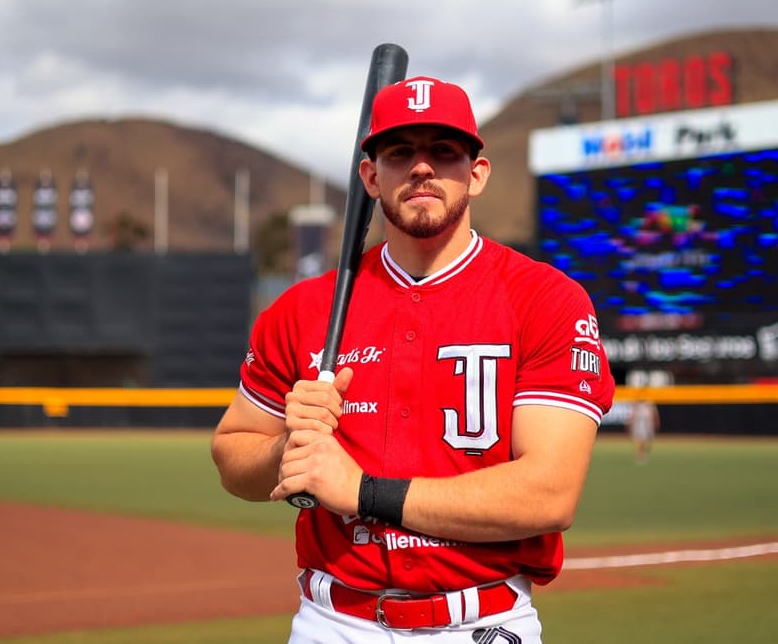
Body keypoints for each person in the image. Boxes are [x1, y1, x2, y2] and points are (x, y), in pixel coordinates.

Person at [211, 75, 616, 643]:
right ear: (371, 176)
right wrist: (289, 451)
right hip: (334, 623)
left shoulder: (545, 300)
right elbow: (232, 454)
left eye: (443, 151)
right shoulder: (304, 309)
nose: (421, 167)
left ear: (476, 174)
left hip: (482, 622)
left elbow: (549, 492)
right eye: (400, 152)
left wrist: (362, 490)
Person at [627, 400, 660, 465]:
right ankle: (640, 454)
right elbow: (632, 413)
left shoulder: (649, 401)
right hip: (639, 422)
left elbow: (654, 412)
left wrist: (656, 421)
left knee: (647, 439)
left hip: (648, 422)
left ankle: (643, 453)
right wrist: (630, 422)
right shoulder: (636, 402)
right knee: (639, 438)